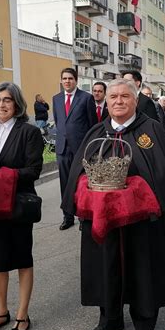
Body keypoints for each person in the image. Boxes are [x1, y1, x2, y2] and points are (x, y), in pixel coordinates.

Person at [61, 78, 165, 330]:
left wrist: (137, 189)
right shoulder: (96, 132)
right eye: (113, 97)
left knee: (143, 269)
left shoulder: (151, 131)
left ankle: (144, 327)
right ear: (106, 101)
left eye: (124, 97)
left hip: (142, 223)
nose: (118, 101)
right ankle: (110, 319)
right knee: (104, 267)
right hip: (105, 221)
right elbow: (78, 174)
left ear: (136, 100)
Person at [0, 82, 43, 330]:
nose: (1, 104)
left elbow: (34, 170)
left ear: (17, 105)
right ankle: (1, 312)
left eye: (7, 100)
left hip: (17, 206)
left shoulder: (29, 132)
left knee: (21, 259)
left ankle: (22, 315)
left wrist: (2, 176)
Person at [53, 67, 97, 230]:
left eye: (70, 78)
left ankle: (83, 216)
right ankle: (68, 216)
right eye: (64, 78)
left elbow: (92, 125)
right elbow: (59, 122)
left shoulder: (86, 98)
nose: (67, 81)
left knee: (81, 182)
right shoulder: (56, 99)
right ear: (61, 80)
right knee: (65, 183)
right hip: (62, 149)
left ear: (76, 80)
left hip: (81, 149)